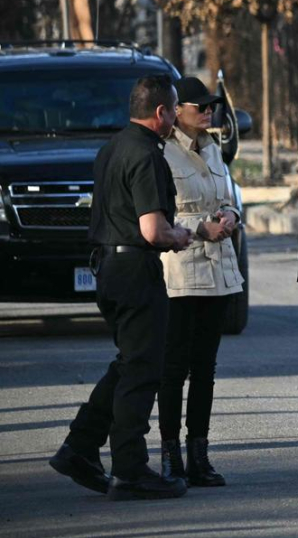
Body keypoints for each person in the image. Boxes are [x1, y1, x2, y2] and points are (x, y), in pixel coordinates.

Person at [49, 75, 194, 501]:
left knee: (129, 362)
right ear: (162, 112)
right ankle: (130, 468)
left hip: (109, 268)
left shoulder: (112, 148)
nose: (173, 122)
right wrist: (180, 236)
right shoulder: (148, 154)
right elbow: (152, 229)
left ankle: (79, 446)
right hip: (135, 270)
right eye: (173, 112)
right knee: (143, 369)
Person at [157, 77, 244, 488]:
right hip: (180, 272)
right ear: (178, 111)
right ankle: (170, 454)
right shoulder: (162, 153)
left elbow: (225, 197)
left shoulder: (212, 148)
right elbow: (158, 217)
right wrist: (200, 227)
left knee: (205, 369)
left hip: (219, 271)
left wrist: (230, 216)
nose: (208, 112)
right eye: (200, 106)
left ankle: (199, 455)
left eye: (211, 106)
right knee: (174, 367)